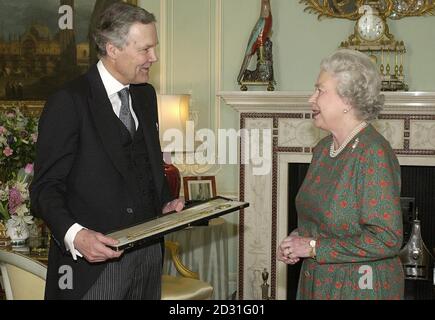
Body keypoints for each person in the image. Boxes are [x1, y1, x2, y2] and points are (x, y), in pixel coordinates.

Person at [30, 2, 183, 300]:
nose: (154, 57)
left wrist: (164, 204)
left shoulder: (146, 95)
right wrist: (77, 236)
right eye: (145, 49)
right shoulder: (68, 102)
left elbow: (147, 166)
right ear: (113, 49)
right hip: (92, 271)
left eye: (155, 48)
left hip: (149, 259)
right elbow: (44, 189)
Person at [277, 49, 404, 300]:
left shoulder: (373, 152)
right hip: (319, 281)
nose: (311, 99)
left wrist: (312, 247)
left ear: (348, 100)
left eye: (320, 90)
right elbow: (322, 220)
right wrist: (296, 241)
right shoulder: (324, 149)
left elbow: (387, 239)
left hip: (359, 287)